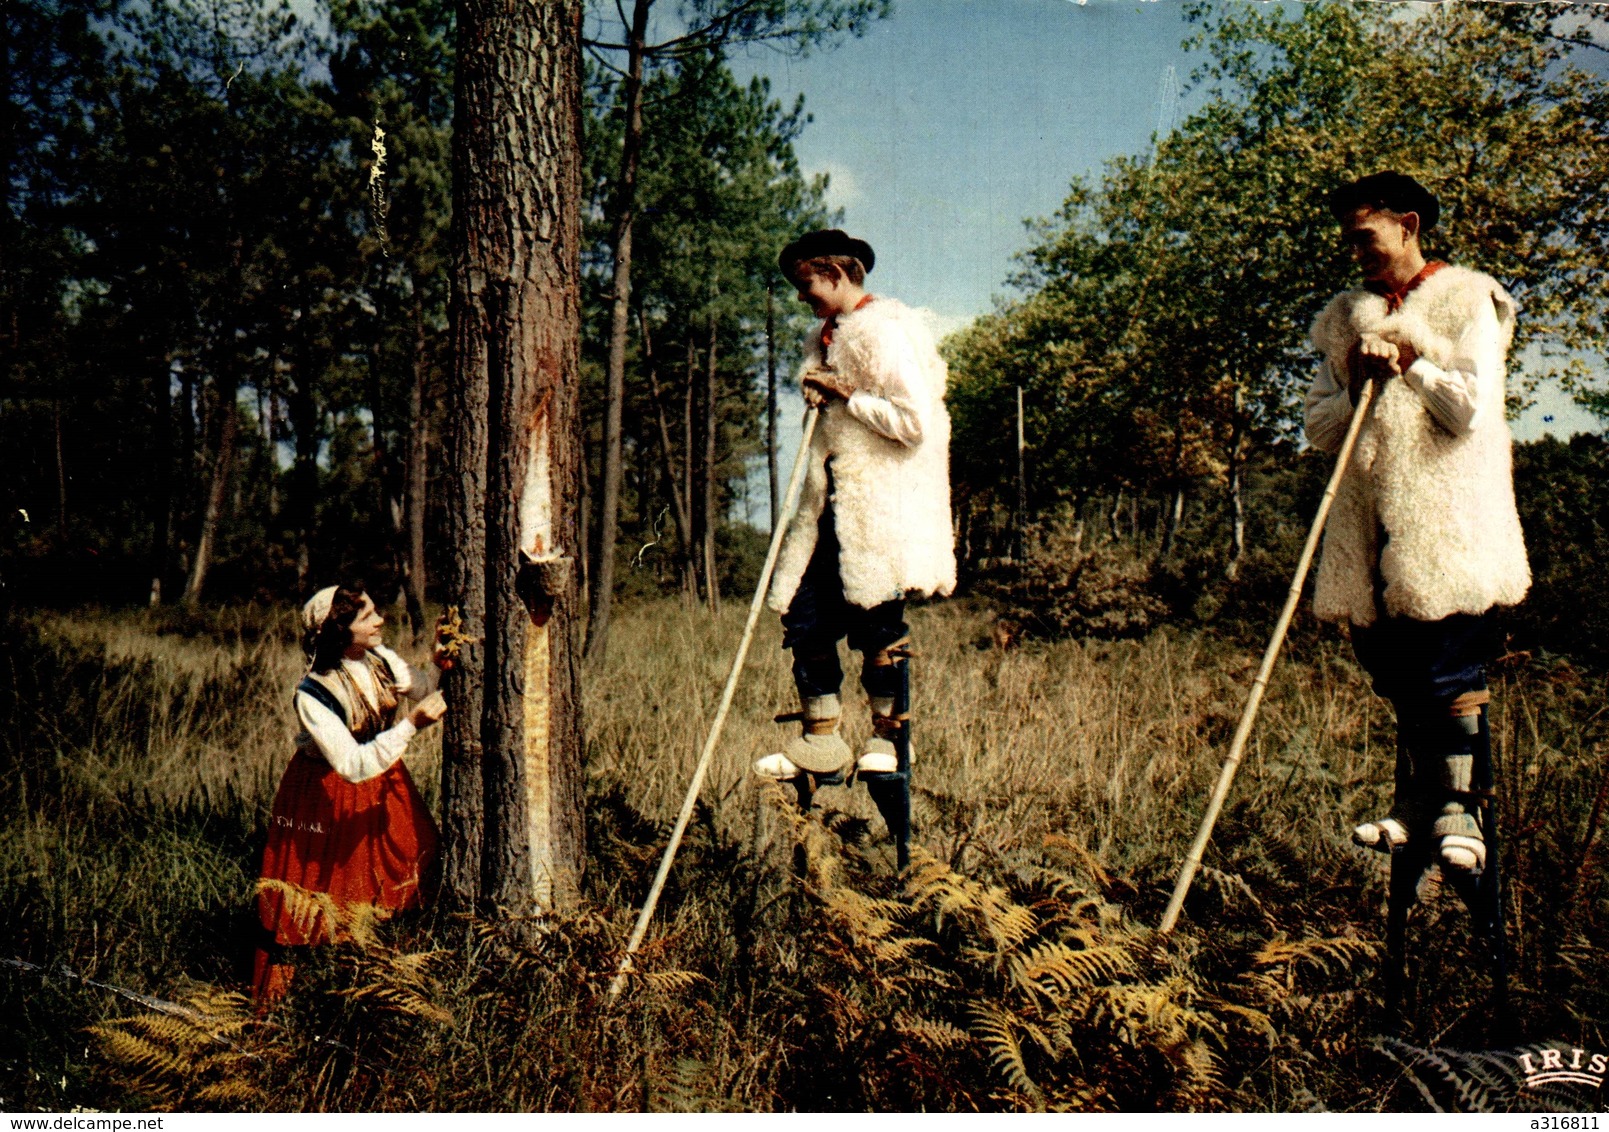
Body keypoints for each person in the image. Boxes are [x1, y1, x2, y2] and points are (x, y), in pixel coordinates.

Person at [1305, 171, 1530, 878]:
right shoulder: (1344, 317)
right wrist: (1354, 375)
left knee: (1447, 662)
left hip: (1448, 518)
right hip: (1368, 524)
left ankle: (1461, 809)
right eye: (1348, 241)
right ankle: (1413, 802)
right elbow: (1317, 429)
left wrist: (1409, 363)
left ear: (1407, 223)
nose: (1356, 253)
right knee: (1393, 666)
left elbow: (1468, 409)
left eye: (1365, 236)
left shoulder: (1470, 298)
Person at [754, 229, 956, 781]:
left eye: (807, 284)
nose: (801, 296)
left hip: (877, 510)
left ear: (837, 275)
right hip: (828, 508)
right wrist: (818, 392)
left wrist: (846, 394)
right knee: (804, 615)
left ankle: (890, 740)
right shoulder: (824, 337)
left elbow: (915, 424)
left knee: (875, 623)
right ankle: (820, 744)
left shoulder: (885, 333)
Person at [252, 585, 448, 1004]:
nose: (380, 620)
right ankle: (317, 999)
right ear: (339, 630)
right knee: (333, 894)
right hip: (328, 793)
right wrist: (411, 725)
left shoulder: (380, 659)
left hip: (385, 781)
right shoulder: (313, 692)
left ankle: (394, 983)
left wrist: (438, 661)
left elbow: (424, 688)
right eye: (368, 616)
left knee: (416, 861)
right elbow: (351, 765)